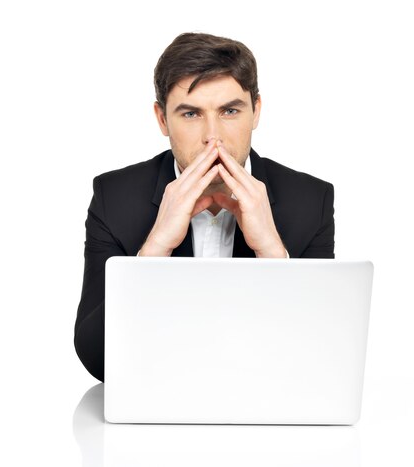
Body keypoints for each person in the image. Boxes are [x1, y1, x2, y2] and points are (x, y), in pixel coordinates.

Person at [74, 32, 335, 382]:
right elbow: (97, 361)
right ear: (162, 120)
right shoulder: (114, 197)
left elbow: (322, 360)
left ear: (256, 111)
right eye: (191, 113)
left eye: (230, 110)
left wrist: (273, 254)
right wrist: (153, 252)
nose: (214, 137)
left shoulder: (310, 200)